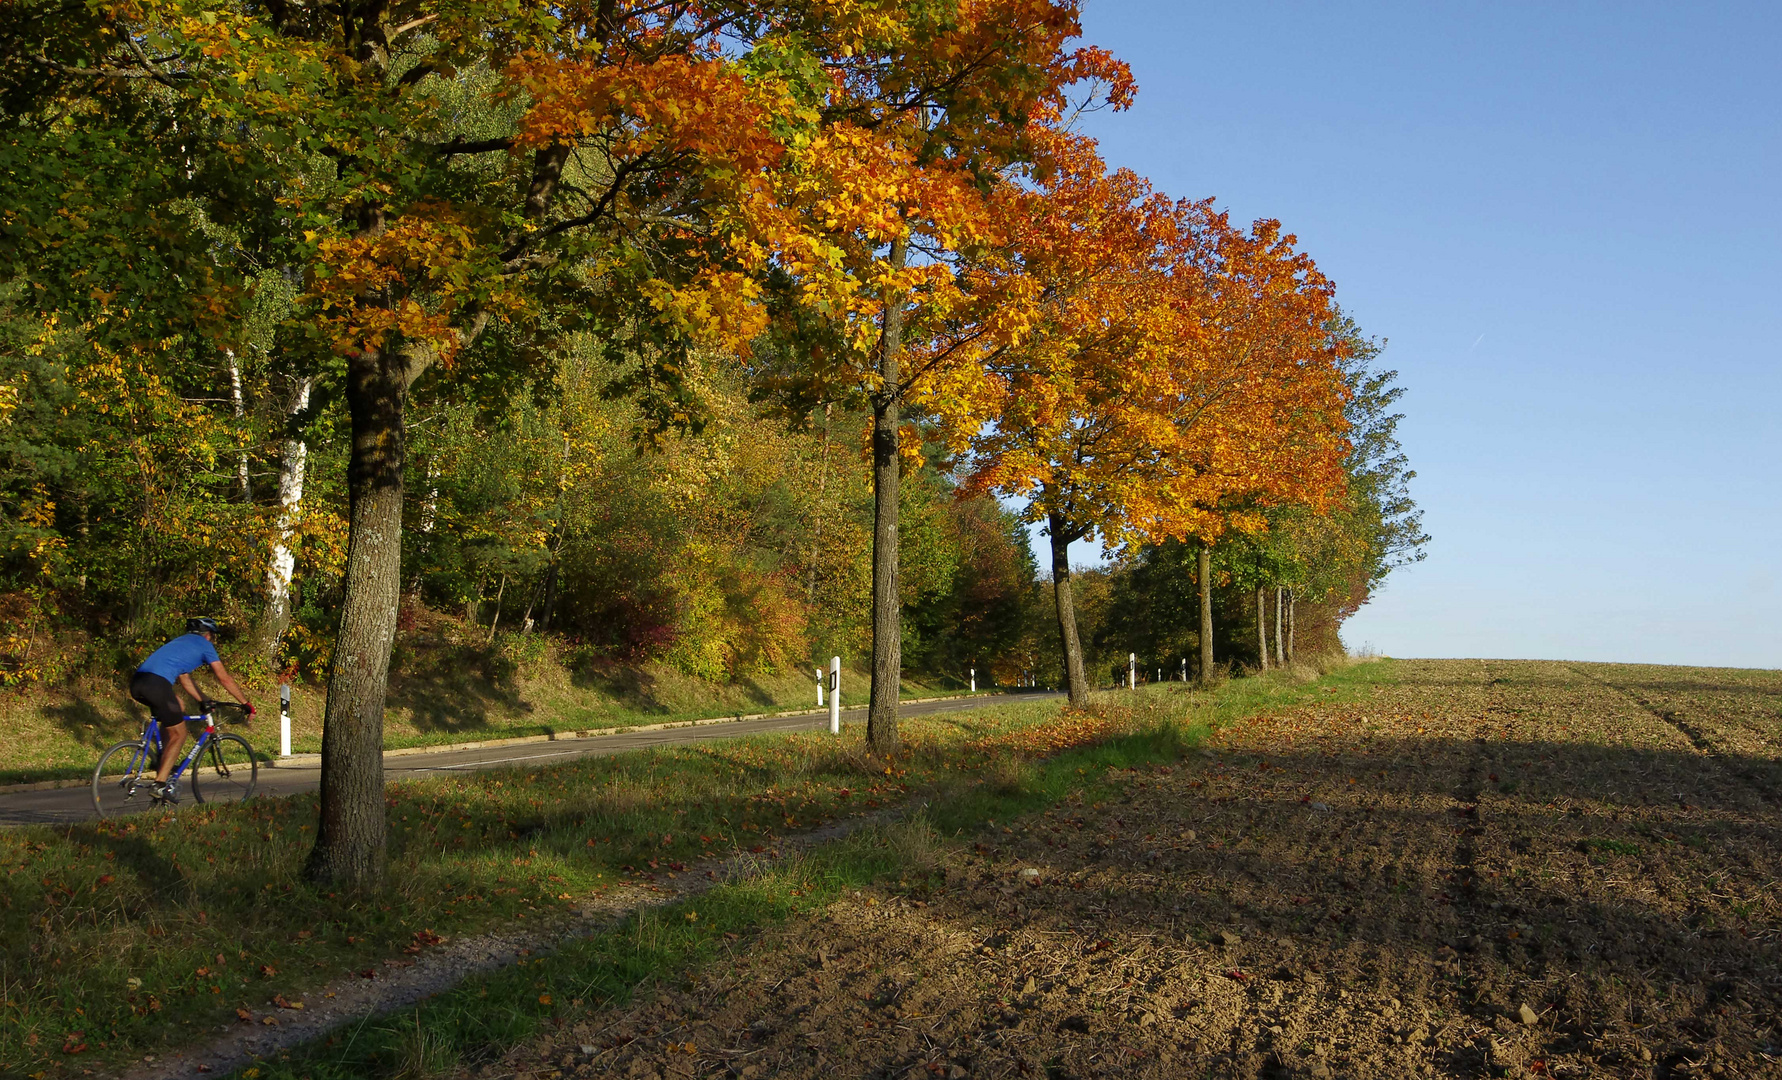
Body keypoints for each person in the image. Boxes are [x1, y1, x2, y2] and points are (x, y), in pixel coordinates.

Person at [130, 617, 255, 800]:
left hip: (137, 683)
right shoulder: (205, 646)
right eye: (212, 637)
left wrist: (203, 700)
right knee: (180, 734)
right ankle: (159, 785)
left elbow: (185, 679)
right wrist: (245, 703)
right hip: (156, 685)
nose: (212, 640)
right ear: (208, 635)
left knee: (177, 705)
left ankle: (162, 759)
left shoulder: (180, 643)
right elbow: (224, 678)